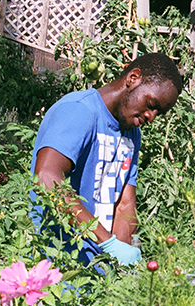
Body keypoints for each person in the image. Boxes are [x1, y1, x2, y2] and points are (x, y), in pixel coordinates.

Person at [29, 52, 183, 268]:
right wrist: (109, 243)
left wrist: (122, 266)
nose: (152, 116)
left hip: (98, 270)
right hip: (58, 264)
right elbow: (46, 178)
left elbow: (124, 205)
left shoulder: (131, 133)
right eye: (151, 103)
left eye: (159, 112)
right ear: (133, 78)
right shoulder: (80, 110)